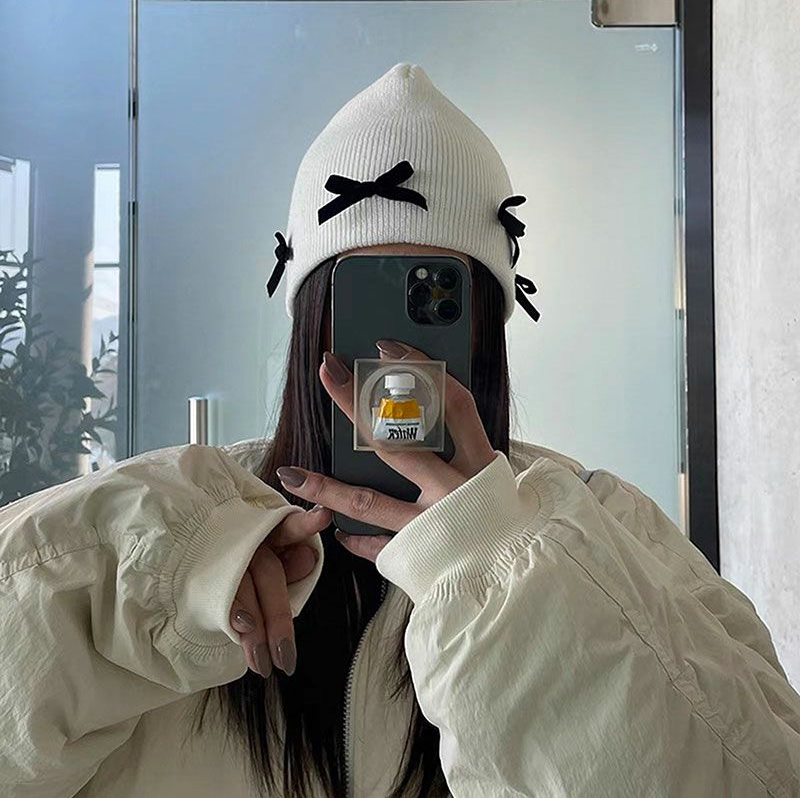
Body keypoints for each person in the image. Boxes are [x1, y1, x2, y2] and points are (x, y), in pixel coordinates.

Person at [1, 63, 798, 798]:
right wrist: (139, 575)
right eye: (362, 303)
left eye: (438, 308)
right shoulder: (192, 529)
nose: (396, 359)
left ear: (485, 332)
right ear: (311, 322)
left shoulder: (601, 524)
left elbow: (759, 771)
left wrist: (507, 575)